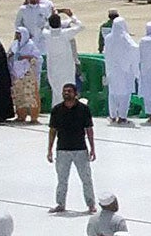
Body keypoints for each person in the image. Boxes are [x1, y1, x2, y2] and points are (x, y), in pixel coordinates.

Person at [46, 83, 95, 215]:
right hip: (62, 149)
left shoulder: (84, 109)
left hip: (80, 149)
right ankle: (60, 204)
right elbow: (52, 130)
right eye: (64, 91)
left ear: (75, 93)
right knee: (62, 179)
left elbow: (89, 129)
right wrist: (49, 149)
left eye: (69, 91)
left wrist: (92, 148)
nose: (66, 93)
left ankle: (91, 204)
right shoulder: (57, 110)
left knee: (86, 178)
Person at [99, 19, 137, 126]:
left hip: (112, 71)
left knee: (113, 95)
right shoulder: (126, 38)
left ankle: (112, 116)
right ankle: (122, 117)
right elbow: (135, 48)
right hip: (124, 72)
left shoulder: (108, 38)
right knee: (125, 95)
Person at [6, 32, 39, 126]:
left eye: (19, 35)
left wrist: (25, 57)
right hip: (16, 74)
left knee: (31, 96)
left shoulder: (30, 45)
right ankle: (21, 115)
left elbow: (37, 58)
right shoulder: (15, 44)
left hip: (27, 74)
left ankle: (34, 117)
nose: (18, 37)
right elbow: (10, 55)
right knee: (19, 96)